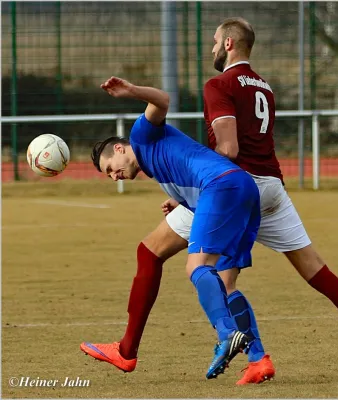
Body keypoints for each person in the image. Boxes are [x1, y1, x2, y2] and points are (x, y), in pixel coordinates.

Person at [162, 17, 338, 383]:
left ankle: (258, 360)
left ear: (230, 43)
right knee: (318, 272)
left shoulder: (218, 84)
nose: (212, 47)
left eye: (215, 41)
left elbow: (229, 150)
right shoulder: (264, 86)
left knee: (212, 278)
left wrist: (190, 192)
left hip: (236, 190)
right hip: (272, 188)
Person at [80, 76, 261, 379]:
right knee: (222, 280)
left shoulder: (141, 136)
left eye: (111, 168)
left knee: (196, 267)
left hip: (222, 188)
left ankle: (227, 335)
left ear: (121, 149)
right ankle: (258, 359)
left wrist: (132, 90)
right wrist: (182, 201)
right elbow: (195, 165)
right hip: (241, 189)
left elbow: (162, 100)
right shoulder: (159, 169)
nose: (114, 177)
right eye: (108, 175)